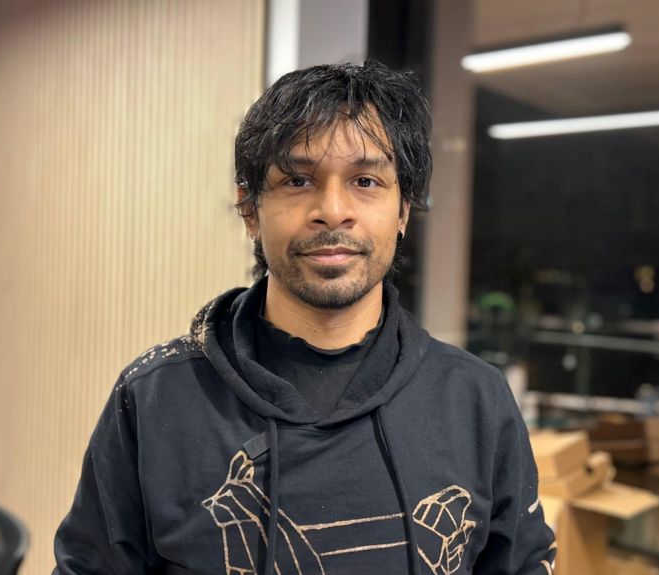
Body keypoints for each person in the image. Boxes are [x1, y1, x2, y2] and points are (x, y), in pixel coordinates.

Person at [53, 61, 556, 575]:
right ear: (249, 209)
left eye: (365, 180)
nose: (333, 210)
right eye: (297, 180)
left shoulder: (474, 400)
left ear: (403, 209)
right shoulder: (157, 398)